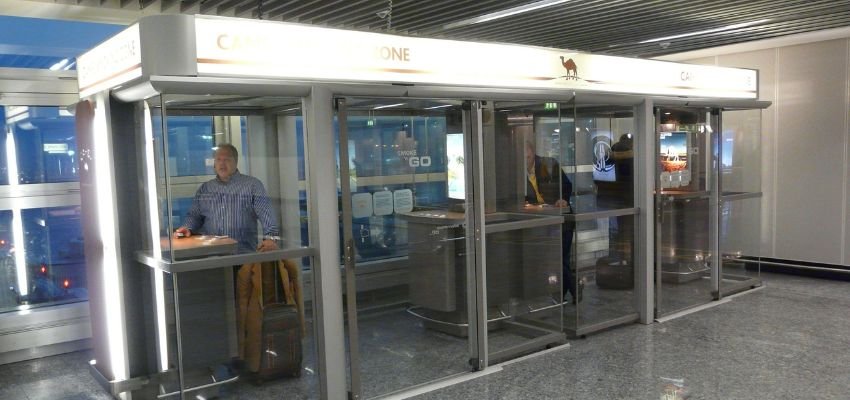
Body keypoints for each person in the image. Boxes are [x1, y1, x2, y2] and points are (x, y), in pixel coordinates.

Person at [175, 143, 279, 253]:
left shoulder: (252, 185)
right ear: (214, 163)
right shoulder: (205, 188)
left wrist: (271, 239)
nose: (222, 163)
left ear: (236, 162)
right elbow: (194, 216)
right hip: (210, 255)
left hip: (242, 256)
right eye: (218, 159)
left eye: (227, 159)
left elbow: (267, 217)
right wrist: (187, 227)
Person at [523, 141, 581, 303]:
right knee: (554, 258)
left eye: (527, 155)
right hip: (544, 220)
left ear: (533, 152)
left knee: (560, 257)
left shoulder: (549, 164)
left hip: (562, 219)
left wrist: (562, 199)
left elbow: (566, 185)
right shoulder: (518, 173)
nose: (525, 160)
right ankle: (563, 292)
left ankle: (575, 288)